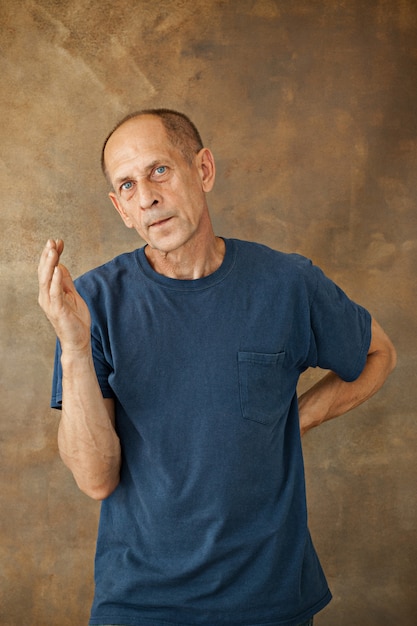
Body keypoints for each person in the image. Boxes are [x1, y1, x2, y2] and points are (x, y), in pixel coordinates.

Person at [38, 109, 396, 626]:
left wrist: (295, 422)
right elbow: (96, 480)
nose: (148, 196)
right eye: (128, 184)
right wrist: (72, 345)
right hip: (140, 606)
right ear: (121, 208)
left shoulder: (287, 283)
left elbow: (376, 354)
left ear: (202, 169)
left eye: (159, 170)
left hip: (270, 602)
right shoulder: (92, 302)